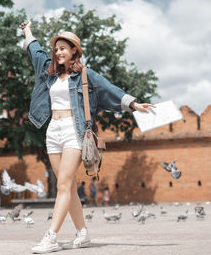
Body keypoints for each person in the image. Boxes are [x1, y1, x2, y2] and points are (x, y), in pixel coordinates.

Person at [20, 20, 154, 253]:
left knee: (63, 184)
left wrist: (133, 104)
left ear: (74, 50)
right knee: (68, 186)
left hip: (74, 131)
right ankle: (83, 233)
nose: (58, 52)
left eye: (63, 48)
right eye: (57, 48)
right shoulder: (48, 73)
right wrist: (27, 32)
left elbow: (109, 88)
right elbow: (35, 51)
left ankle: (51, 237)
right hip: (53, 131)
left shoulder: (85, 75)